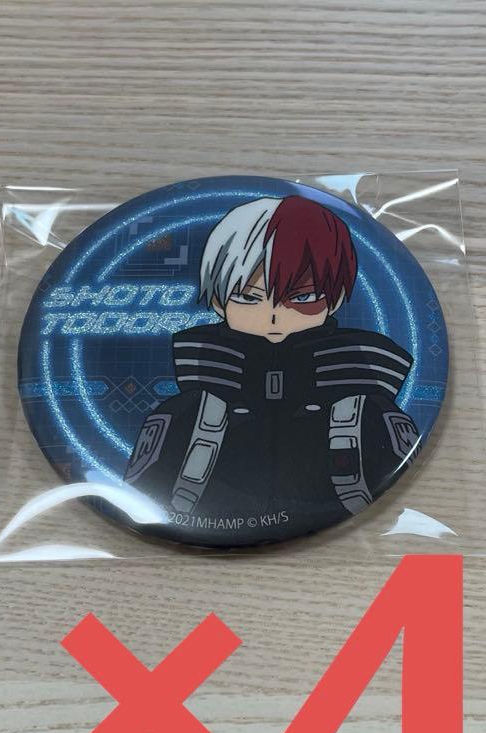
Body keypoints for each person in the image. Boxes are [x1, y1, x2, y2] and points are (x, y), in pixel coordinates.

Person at [124, 194, 420, 542]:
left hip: (346, 547)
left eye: (302, 297)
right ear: (218, 301)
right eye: (248, 297)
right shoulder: (186, 416)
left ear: (335, 298)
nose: (274, 314)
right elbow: (138, 502)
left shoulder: (366, 415)